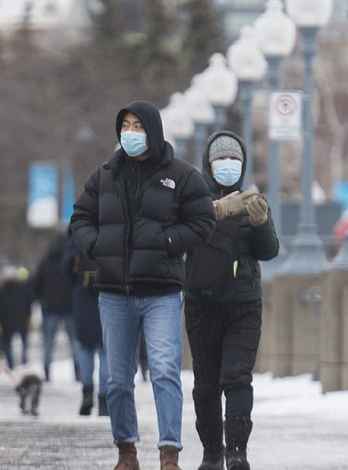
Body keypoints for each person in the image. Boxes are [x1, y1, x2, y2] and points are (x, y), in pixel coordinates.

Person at [70, 100, 216, 470]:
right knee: (117, 379)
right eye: (126, 126)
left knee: (165, 371)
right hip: (114, 292)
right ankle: (126, 450)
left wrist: (168, 242)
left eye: (138, 126)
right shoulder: (104, 175)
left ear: (153, 130)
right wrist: (96, 245)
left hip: (161, 291)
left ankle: (170, 452)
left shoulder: (181, 176)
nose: (131, 133)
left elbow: (202, 222)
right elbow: (81, 217)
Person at [183, 132, 279, 470]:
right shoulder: (192, 202)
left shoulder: (252, 200)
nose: (228, 166)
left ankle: (237, 450)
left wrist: (260, 222)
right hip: (202, 304)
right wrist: (214, 212)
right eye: (221, 160)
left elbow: (268, 251)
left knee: (237, 377)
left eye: (234, 160)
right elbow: (180, 238)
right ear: (209, 165)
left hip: (243, 305)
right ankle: (212, 452)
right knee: (206, 382)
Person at [62, 232, 108, 417]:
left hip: (82, 297)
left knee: (85, 347)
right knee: (105, 350)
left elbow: (65, 268)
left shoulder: (78, 236)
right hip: (107, 295)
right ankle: (104, 398)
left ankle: (87, 393)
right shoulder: (109, 231)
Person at [32, 232, 79, 382]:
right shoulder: (70, 261)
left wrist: (42, 299)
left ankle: (46, 370)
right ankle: (78, 371)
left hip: (49, 306)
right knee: (74, 341)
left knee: (48, 341)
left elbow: (36, 284)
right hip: (69, 306)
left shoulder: (45, 262)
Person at [0, 266, 34, 370]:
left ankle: (10, 364)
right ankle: (24, 363)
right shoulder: (24, 289)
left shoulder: (2, 290)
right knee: (24, 342)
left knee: (7, 343)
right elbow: (28, 304)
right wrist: (29, 317)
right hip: (22, 320)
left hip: (6, 322)